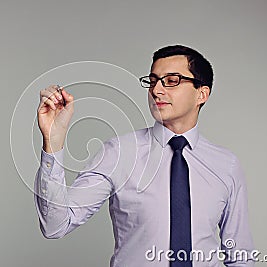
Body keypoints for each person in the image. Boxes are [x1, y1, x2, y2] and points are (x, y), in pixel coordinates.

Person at [34, 45, 255, 267]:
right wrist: (53, 141)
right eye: (153, 81)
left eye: (171, 81)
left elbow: (241, 256)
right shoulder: (118, 153)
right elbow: (55, 225)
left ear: (202, 93)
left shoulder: (226, 165)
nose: (157, 90)